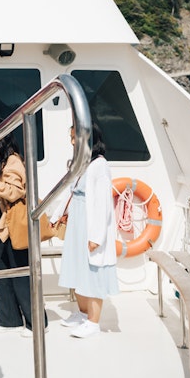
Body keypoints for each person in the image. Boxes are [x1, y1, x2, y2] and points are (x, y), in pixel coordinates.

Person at [0, 119, 46, 336]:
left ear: (1, 138)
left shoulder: (13, 161)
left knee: (22, 276)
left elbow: (14, 193)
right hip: (1, 228)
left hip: (13, 227)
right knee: (3, 276)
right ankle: (9, 319)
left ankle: (36, 323)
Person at [57, 122, 118, 338]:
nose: (72, 141)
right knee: (77, 268)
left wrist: (96, 237)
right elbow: (71, 191)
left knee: (92, 273)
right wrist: (59, 214)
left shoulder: (100, 166)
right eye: (71, 137)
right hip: (77, 219)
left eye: (75, 137)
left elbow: (103, 205)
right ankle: (83, 314)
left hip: (90, 222)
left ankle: (93, 322)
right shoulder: (82, 163)